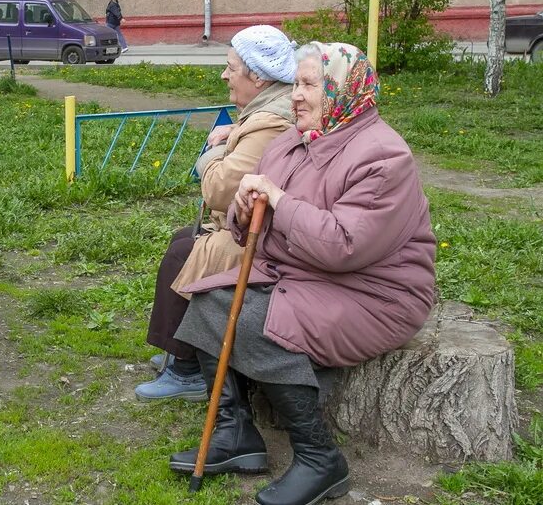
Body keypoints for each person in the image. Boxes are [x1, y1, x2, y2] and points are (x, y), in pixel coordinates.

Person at [170, 42, 436, 505]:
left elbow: (344, 246)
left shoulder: (383, 156)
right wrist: (240, 209)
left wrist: (279, 200)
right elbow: (256, 222)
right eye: (295, 83)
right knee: (209, 300)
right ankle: (236, 435)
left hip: (376, 293)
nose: (296, 95)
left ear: (343, 90)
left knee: (260, 323)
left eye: (310, 84)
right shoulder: (292, 142)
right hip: (306, 277)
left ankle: (320, 459)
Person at [135, 25, 297, 403]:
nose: (225, 75)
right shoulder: (269, 109)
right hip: (258, 226)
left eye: (231, 68)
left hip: (266, 239)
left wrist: (211, 156)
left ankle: (188, 369)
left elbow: (221, 188)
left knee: (185, 253)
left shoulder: (271, 122)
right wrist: (233, 133)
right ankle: (181, 354)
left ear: (257, 76)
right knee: (182, 240)